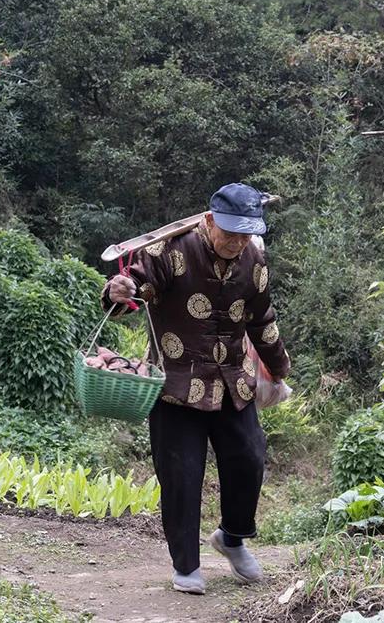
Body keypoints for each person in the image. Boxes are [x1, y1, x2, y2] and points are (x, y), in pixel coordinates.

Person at [100, 182, 290, 595]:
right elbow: (134, 289)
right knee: (182, 474)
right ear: (208, 221)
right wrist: (119, 291)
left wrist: (277, 370)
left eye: (246, 233)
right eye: (230, 232)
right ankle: (186, 566)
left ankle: (232, 538)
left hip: (232, 383)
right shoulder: (169, 251)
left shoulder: (254, 259)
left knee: (249, 457)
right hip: (176, 385)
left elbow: (262, 318)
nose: (237, 242)